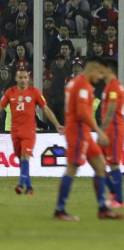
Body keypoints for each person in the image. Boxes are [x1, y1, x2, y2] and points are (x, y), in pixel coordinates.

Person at [54, 57, 122, 221]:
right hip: (78, 132)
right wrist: (99, 131)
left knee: (100, 165)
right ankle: (60, 210)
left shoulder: (76, 83)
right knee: (72, 168)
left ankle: (103, 209)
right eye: (99, 73)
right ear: (93, 68)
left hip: (83, 132)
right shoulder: (82, 86)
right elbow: (83, 113)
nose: (100, 77)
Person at [0, 69, 63, 194]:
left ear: (28, 79)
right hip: (15, 131)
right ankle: (29, 187)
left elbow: (45, 109)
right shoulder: (10, 92)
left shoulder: (34, 92)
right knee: (22, 159)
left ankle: (20, 184)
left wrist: (56, 124)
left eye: (25, 77)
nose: (23, 80)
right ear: (16, 79)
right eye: (21, 77)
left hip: (29, 131)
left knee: (25, 156)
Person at [100, 59, 123, 208]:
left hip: (113, 128)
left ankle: (118, 198)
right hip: (109, 129)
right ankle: (115, 193)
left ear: (109, 70)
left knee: (113, 164)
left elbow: (112, 108)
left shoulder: (114, 86)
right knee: (99, 163)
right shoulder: (109, 86)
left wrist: (103, 128)